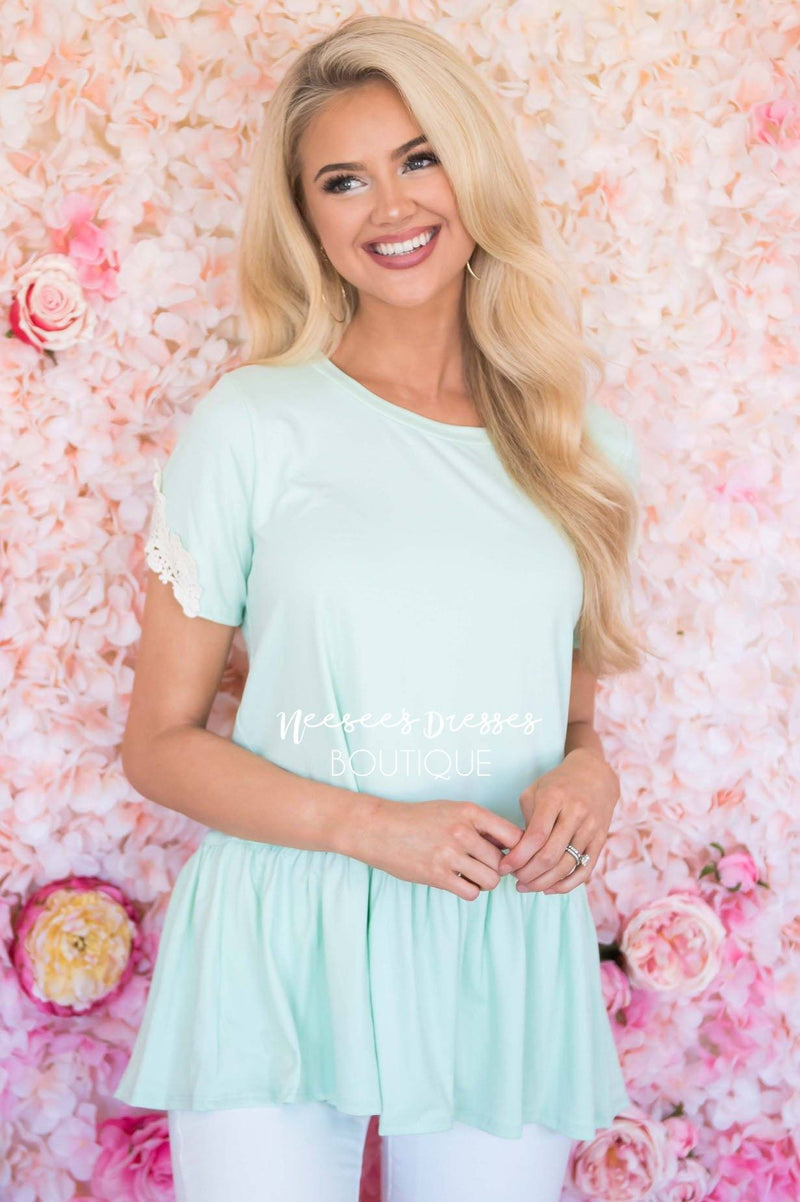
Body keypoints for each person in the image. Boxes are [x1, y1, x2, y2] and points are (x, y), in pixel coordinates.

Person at [113, 14, 644, 1202]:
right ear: (305, 218)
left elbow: (571, 719)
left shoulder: (578, 445)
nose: (389, 206)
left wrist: (587, 776)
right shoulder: (253, 422)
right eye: (342, 180)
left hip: (495, 940)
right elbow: (159, 743)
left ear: (473, 167)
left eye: (418, 157)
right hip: (276, 940)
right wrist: (371, 828)